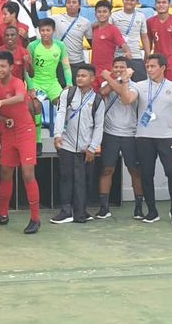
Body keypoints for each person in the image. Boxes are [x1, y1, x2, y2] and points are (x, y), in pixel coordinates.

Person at [0, 51, 41, 234]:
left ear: (10, 67)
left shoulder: (17, 82)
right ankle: (2, 214)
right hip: (8, 132)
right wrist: (1, 118)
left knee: (27, 173)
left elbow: (20, 97)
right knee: (5, 172)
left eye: (3, 66)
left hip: (25, 131)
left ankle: (35, 218)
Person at [135, 54, 172, 225]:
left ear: (163, 67)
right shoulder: (139, 86)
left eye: (153, 66)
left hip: (166, 137)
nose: (149, 69)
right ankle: (152, 211)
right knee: (147, 174)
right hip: (143, 136)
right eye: (147, 66)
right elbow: (127, 98)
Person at [51, 64, 105, 224]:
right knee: (66, 178)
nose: (79, 78)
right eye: (78, 76)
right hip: (66, 144)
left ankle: (80, 211)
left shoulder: (97, 100)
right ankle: (66, 211)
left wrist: (92, 147)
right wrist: (57, 134)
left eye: (84, 76)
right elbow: (60, 113)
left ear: (92, 79)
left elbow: (99, 125)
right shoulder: (68, 94)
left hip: (85, 148)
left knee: (82, 180)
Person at [98, 59, 144, 219]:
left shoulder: (135, 86)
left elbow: (125, 96)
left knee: (135, 171)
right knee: (107, 170)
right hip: (110, 133)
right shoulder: (107, 83)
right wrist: (117, 79)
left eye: (122, 68)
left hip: (131, 134)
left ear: (128, 69)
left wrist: (119, 79)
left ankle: (138, 207)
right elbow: (104, 92)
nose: (118, 69)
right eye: (115, 67)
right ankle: (104, 208)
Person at [28, 18, 72, 149]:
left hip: (53, 83)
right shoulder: (33, 46)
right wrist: (30, 87)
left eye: (48, 30)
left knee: (63, 104)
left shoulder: (60, 46)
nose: (45, 33)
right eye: (42, 30)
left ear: (53, 31)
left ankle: (62, 138)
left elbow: (66, 66)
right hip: (37, 83)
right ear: (39, 31)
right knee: (36, 105)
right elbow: (26, 69)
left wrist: (69, 83)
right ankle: (38, 140)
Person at [110, 0, 150, 81]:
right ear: (122, 0)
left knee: (140, 84)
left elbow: (144, 37)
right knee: (118, 85)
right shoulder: (114, 15)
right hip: (118, 56)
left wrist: (148, 55)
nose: (129, 2)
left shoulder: (141, 16)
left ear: (137, 2)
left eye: (132, 0)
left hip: (135, 56)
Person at [146, 0, 172, 85]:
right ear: (155, 5)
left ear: (169, 5)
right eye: (158, 3)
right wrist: (147, 60)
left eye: (164, 2)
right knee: (156, 88)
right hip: (157, 60)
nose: (161, 5)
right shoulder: (150, 22)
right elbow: (148, 43)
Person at [90, 0, 130, 87]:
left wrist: (127, 52)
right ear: (95, 14)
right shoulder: (93, 29)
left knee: (106, 96)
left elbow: (123, 44)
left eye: (105, 12)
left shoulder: (113, 30)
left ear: (110, 14)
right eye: (99, 12)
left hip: (107, 71)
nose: (102, 14)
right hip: (94, 70)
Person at [52, 0, 93, 77]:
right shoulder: (56, 18)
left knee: (77, 88)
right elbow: (36, 22)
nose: (71, 5)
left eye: (74, 2)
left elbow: (92, 44)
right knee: (62, 89)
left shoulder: (86, 23)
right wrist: (36, 3)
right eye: (68, 2)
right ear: (65, 4)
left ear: (79, 5)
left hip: (77, 63)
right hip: (60, 63)